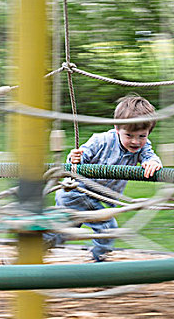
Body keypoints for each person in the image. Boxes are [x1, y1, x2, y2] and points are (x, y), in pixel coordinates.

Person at [47, 94, 162, 262]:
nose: (135, 141)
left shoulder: (143, 147)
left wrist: (152, 163)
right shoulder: (101, 141)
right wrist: (75, 158)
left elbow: (150, 157)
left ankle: (28, 255)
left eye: (142, 136)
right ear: (117, 128)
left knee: (62, 232)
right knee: (108, 228)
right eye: (129, 135)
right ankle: (99, 263)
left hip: (92, 198)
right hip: (78, 193)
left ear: (148, 133)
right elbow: (76, 161)